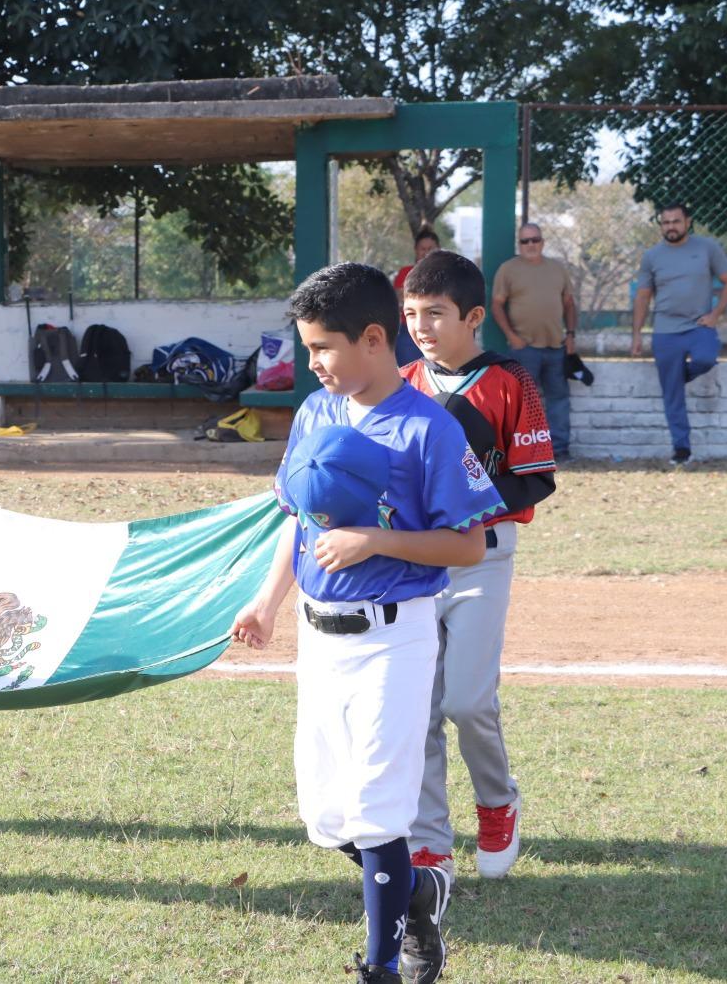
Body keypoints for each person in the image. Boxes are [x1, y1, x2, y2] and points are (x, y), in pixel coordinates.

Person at [231, 261, 503, 983]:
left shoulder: (429, 430)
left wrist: (377, 539)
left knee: (380, 813)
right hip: (320, 638)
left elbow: (470, 545)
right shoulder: (318, 411)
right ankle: (418, 889)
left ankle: (384, 964)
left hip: (395, 637)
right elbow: (301, 519)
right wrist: (267, 602)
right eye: (308, 347)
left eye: (322, 347)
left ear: (375, 338)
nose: (310, 362)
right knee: (328, 818)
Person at [400, 251, 557, 895]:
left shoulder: (510, 379)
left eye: (435, 314)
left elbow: (534, 477)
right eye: (410, 314)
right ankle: (429, 842)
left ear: (472, 317)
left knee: (467, 701)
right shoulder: (403, 379)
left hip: (484, 557)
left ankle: (498, 803)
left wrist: (463, 494)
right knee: (420, 707)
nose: (421, 326)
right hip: (414, 562)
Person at [631, 203, 727, 465]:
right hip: (665, 331)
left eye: (676, 221)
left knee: (705, 359)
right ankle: (682, 449)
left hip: (699, 327)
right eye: (666, 223)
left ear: (687, 222)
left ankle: (677, 378)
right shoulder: (652, 256)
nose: (671, 227)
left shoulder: (707, 248)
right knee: (672, 395)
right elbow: (643, 297)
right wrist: (636, 335)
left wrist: (715, 315)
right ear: (661, 226)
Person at [492, 223, 578, 459]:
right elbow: (497, 304)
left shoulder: (558, 269)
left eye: (535, 240)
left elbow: (569, 304)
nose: (530, 245)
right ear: (519, 244)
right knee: (524, 404)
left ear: (542, 241)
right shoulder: (508, 270)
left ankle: (560, 450)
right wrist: (512, 337)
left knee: (559, 400)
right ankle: (526, 453)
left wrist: (570, 335)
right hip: (524, 348)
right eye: (525, 241)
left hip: (555, 347)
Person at [392, 229, 441, 367]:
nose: (426, 252)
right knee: (411, 373)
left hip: (440, 330)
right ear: (416, 250)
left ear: (438, 249)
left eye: (430, 249)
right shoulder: (405, 273)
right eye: (422, 249)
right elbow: (402, 299)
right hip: (409, 331)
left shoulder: (447, 275)